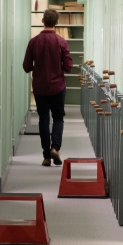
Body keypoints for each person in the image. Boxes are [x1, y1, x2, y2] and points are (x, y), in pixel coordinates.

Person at [23, 9, 73, 166]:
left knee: (43, 119)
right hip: (57, 86)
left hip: (39, 87)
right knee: (58, 118)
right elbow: (69, 66)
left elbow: (26, 67)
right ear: (57, 22)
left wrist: (38, 67)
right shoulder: (61, 42)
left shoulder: (33, 42)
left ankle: (46, 156)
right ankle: (55, 148)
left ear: (42, 21)